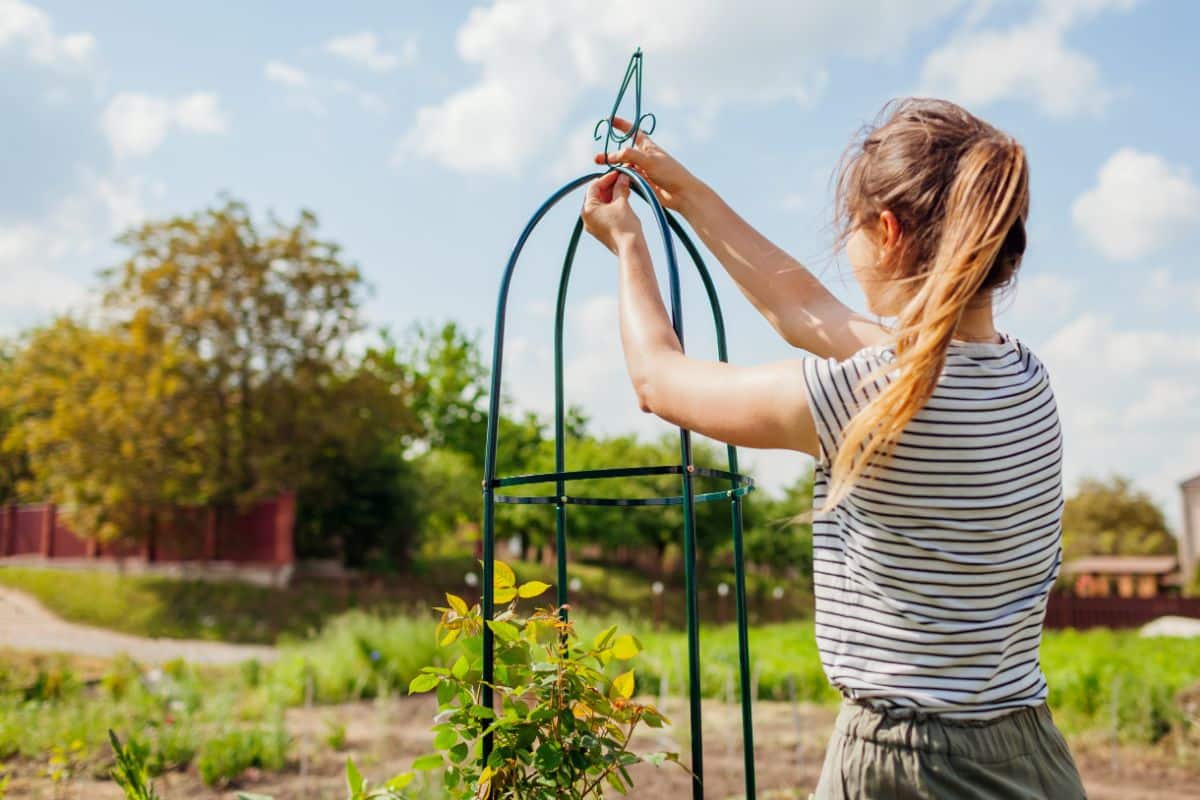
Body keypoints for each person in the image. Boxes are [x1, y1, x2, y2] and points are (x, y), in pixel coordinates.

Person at [579, 98, 1087, 799]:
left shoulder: (874, 395)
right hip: (1029, 750)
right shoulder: (1024, 377)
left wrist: (630, 245)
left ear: (887, 232)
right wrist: (684, 190)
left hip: (907, 767)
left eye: (851, 224)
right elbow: (804, 312)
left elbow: (656, 380)